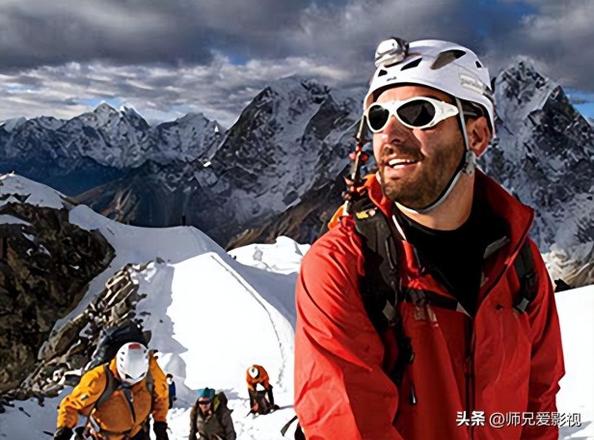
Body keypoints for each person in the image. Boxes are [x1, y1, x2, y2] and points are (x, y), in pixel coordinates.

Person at [294, 37, 564, 439]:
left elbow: (537, 408)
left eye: (418, 113)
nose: (391, 135)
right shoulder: (343, 267)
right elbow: (350, 427)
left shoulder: (521, 265)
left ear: (476, 137)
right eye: (378, 117)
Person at [54, 342, 170, 440]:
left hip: (138, 433)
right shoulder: (97, 379)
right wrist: (64, 429)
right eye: (127, 378)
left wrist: (160, 424)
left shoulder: (152, 371)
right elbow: (71, 405)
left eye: (138, 379)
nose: (131, 383)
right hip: (104, 436)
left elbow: (161, 397)